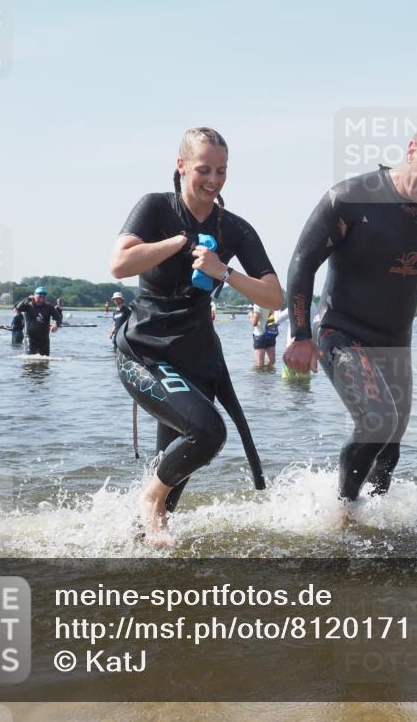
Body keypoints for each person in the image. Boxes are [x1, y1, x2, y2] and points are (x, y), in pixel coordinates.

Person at [284, 115, 417, 502]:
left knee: (390, 448)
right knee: (377, 424)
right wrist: (301, 336)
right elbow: (302, 262)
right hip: (341, 332)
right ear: (411, 151)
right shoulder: (351, 198)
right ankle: (344, 513)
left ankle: (376, 526)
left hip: (394, 342)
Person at [109, 127, 282, 545]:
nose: (214, 180)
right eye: (204, 169)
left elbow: (274, 294)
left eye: (222, 171)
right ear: (181, 165)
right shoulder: (155, 208)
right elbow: (119, 264)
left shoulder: (235, 228)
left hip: (198, 356)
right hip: (145, 352)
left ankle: (144, 558)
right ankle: (147, 507)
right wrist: (177, 243)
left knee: (171, 486)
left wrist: (223, 270)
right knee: (207, 433)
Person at [14, 286, 62, 355]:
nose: (41, 299)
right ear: (34, 296)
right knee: (30, 361)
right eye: (39, 297)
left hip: (44, 339)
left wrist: (56, 325)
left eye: (43, 297)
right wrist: (28, 299)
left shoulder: (49, 307)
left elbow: (58, 318)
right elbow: (18, 308)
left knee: (45, 360)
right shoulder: (28, 306)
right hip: (30, 338)